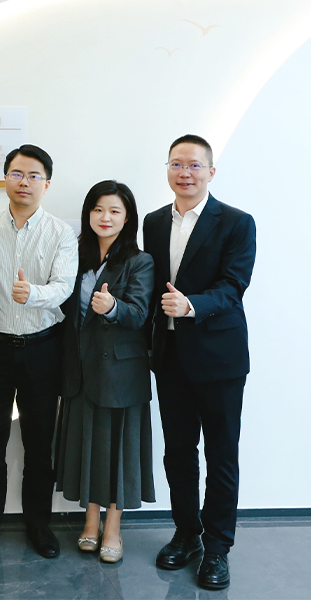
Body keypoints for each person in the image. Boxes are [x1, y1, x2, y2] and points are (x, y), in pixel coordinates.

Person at [143, 134, 255, 591]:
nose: (184, 172)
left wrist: (191, 306)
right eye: (176, 164)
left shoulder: (237, 222)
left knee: (221, 456)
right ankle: (186, 533)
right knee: (178, 453)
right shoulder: (153, 221)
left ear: (211, 171)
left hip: (220, 359)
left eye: (193, 165)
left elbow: (234, 286)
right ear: (168, 169)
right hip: (169, 357)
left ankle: (218, 548)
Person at [0, 144, 77, 559]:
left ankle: (39, 525)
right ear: (5, 178)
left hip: (43, 350)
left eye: (34, 176)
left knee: (39, 444)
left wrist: (31, 294)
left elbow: (64, 287)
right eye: (17, 173)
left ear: (46, 184)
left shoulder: (61, 233)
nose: (25, 182)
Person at [55, 180, 155, 564]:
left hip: (119, 374)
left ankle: (113, 528)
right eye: (98, 209)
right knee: (88, 447)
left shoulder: (139, 261)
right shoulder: (75, 254)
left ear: (127, 218)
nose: (105, 217)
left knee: (116, 452)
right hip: (80, 370)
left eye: (114, 210)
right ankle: (90, 521)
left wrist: (113, 307)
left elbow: (140, 313)